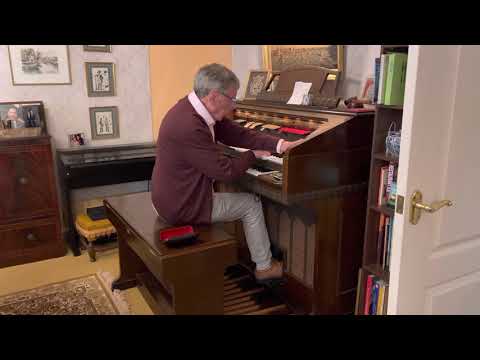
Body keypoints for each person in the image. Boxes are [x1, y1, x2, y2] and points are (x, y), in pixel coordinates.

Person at [151, 63, 302, 282]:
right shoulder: (190, 126)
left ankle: (239, 254)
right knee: (251, 203)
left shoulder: (192, 109)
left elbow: (237, 133)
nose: (233, 106)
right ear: (213, 96)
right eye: (231, 98)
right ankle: (264, 266)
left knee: (236, 193)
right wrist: (252, 155)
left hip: (170, 195)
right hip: (180, 204)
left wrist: (279, 145)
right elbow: (226, 173)